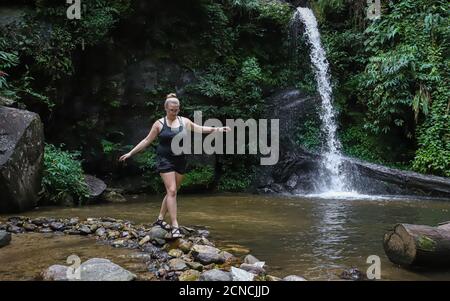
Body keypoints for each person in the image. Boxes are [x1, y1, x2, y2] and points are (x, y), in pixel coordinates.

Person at [119, 93, 231, 238]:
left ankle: (160, 219)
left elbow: (200, 129)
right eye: (172, 110)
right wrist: (130, 153)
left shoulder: (184, 121)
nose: (174, 112)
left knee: (172, 192)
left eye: (177, 110)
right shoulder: (159, 124)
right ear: (166, 108)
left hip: (180, 159)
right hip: (164, 159)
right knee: (172, 191)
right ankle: (175, 225)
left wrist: (218, 129)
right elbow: (147, 140)